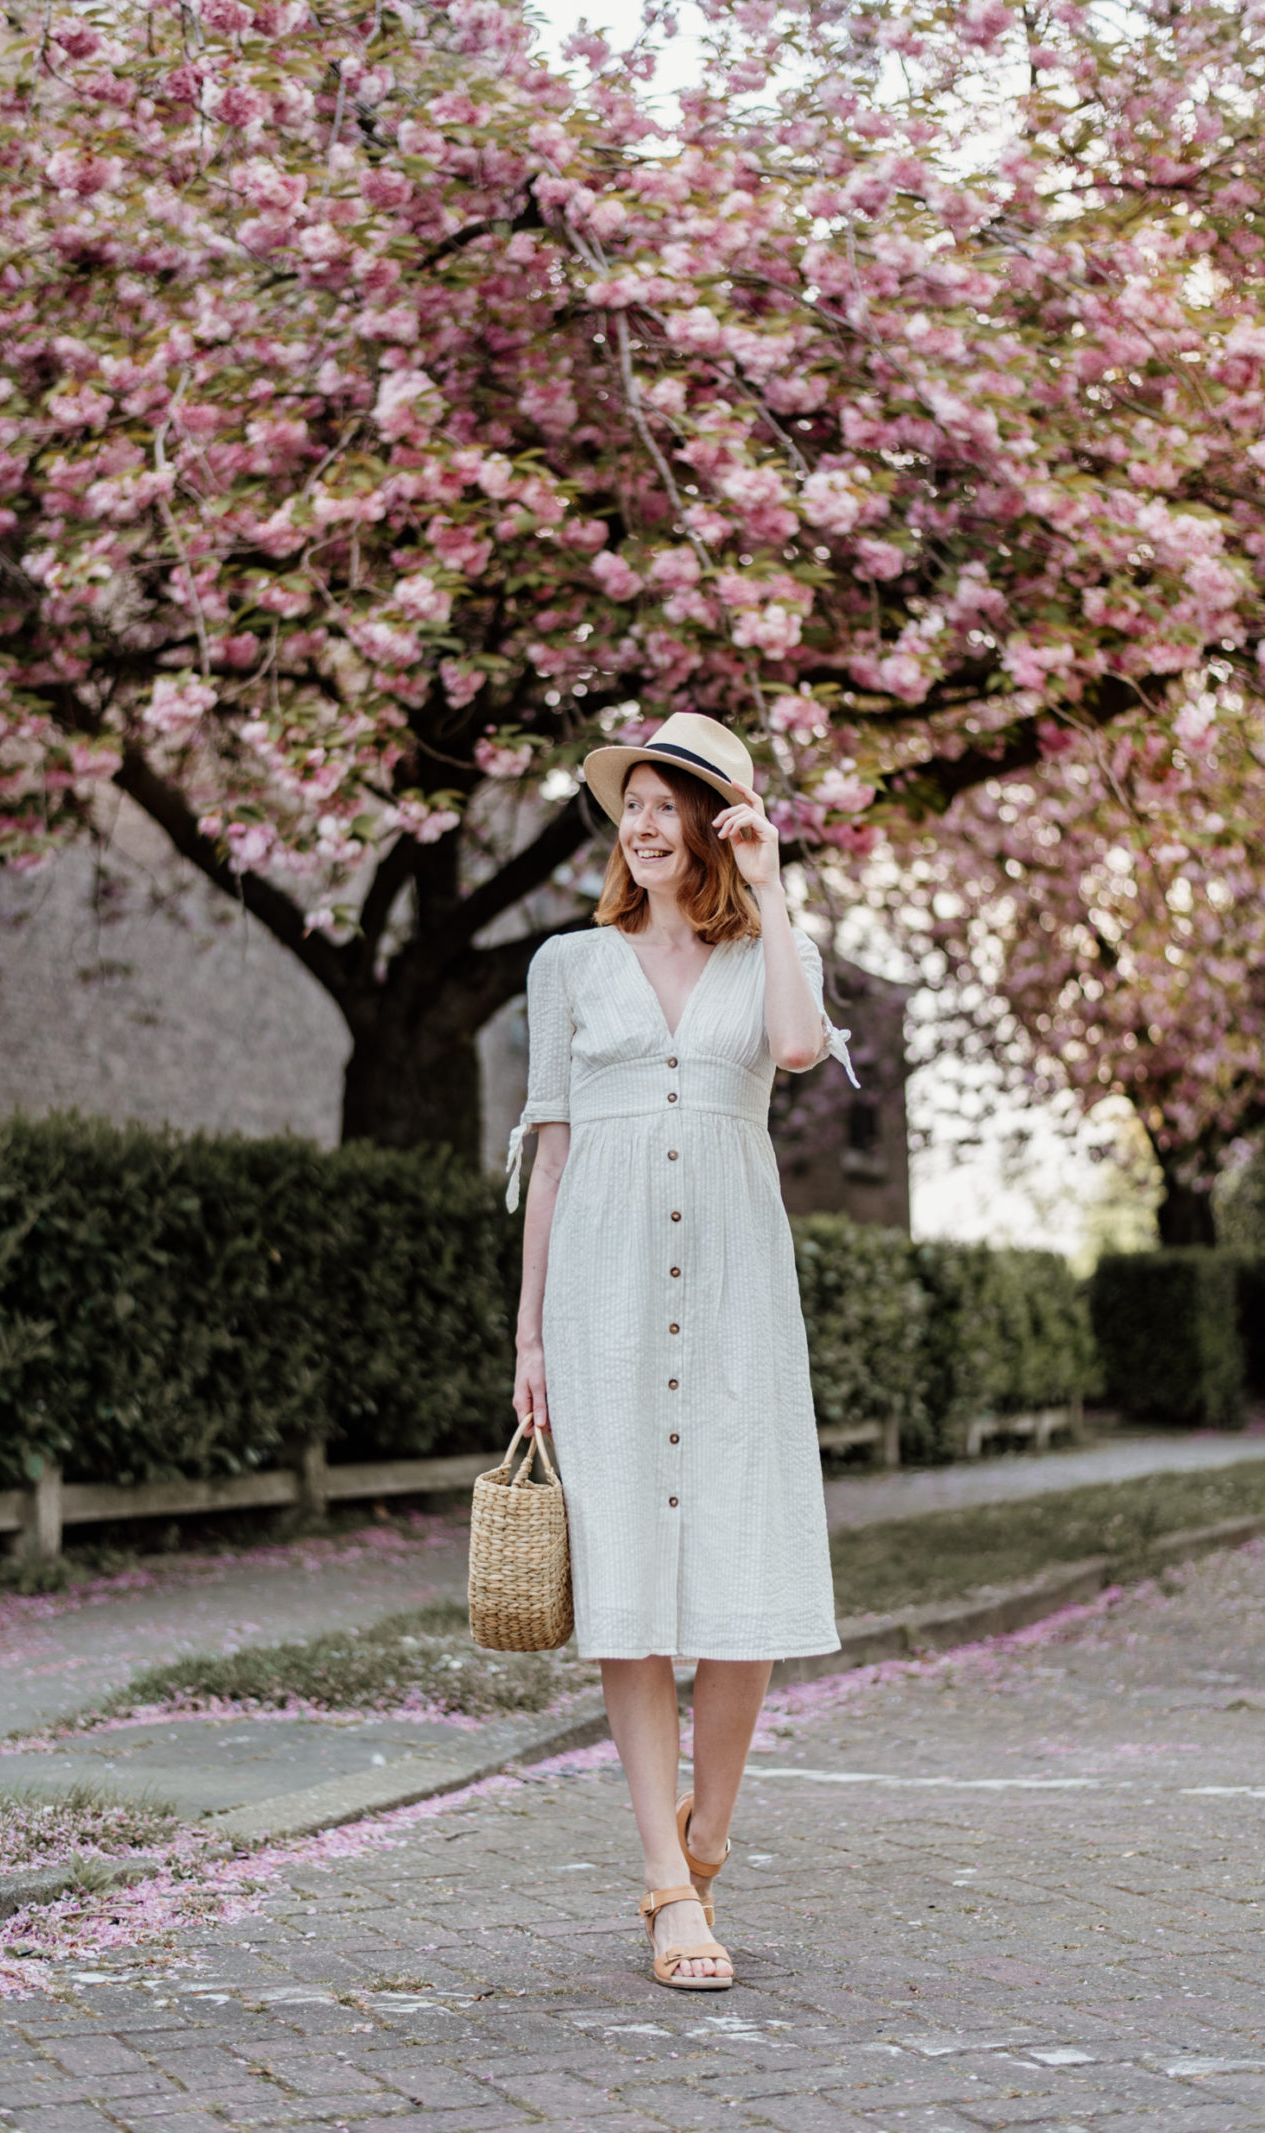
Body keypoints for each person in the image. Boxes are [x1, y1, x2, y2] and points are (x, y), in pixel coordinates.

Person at [505, 715, 857, 1992]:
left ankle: (712, 1828)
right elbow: (551, 1154)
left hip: (731, 1301)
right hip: (600, 1300)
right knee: (632, 1589)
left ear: (718, 826)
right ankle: (668, 1880)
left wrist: (770, 889)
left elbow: (805, 1049)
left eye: (674, 807)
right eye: (634, 805)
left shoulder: (774, 952)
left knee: (739, 1567)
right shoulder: (567, 966)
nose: (646, 826)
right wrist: (531, 1334)